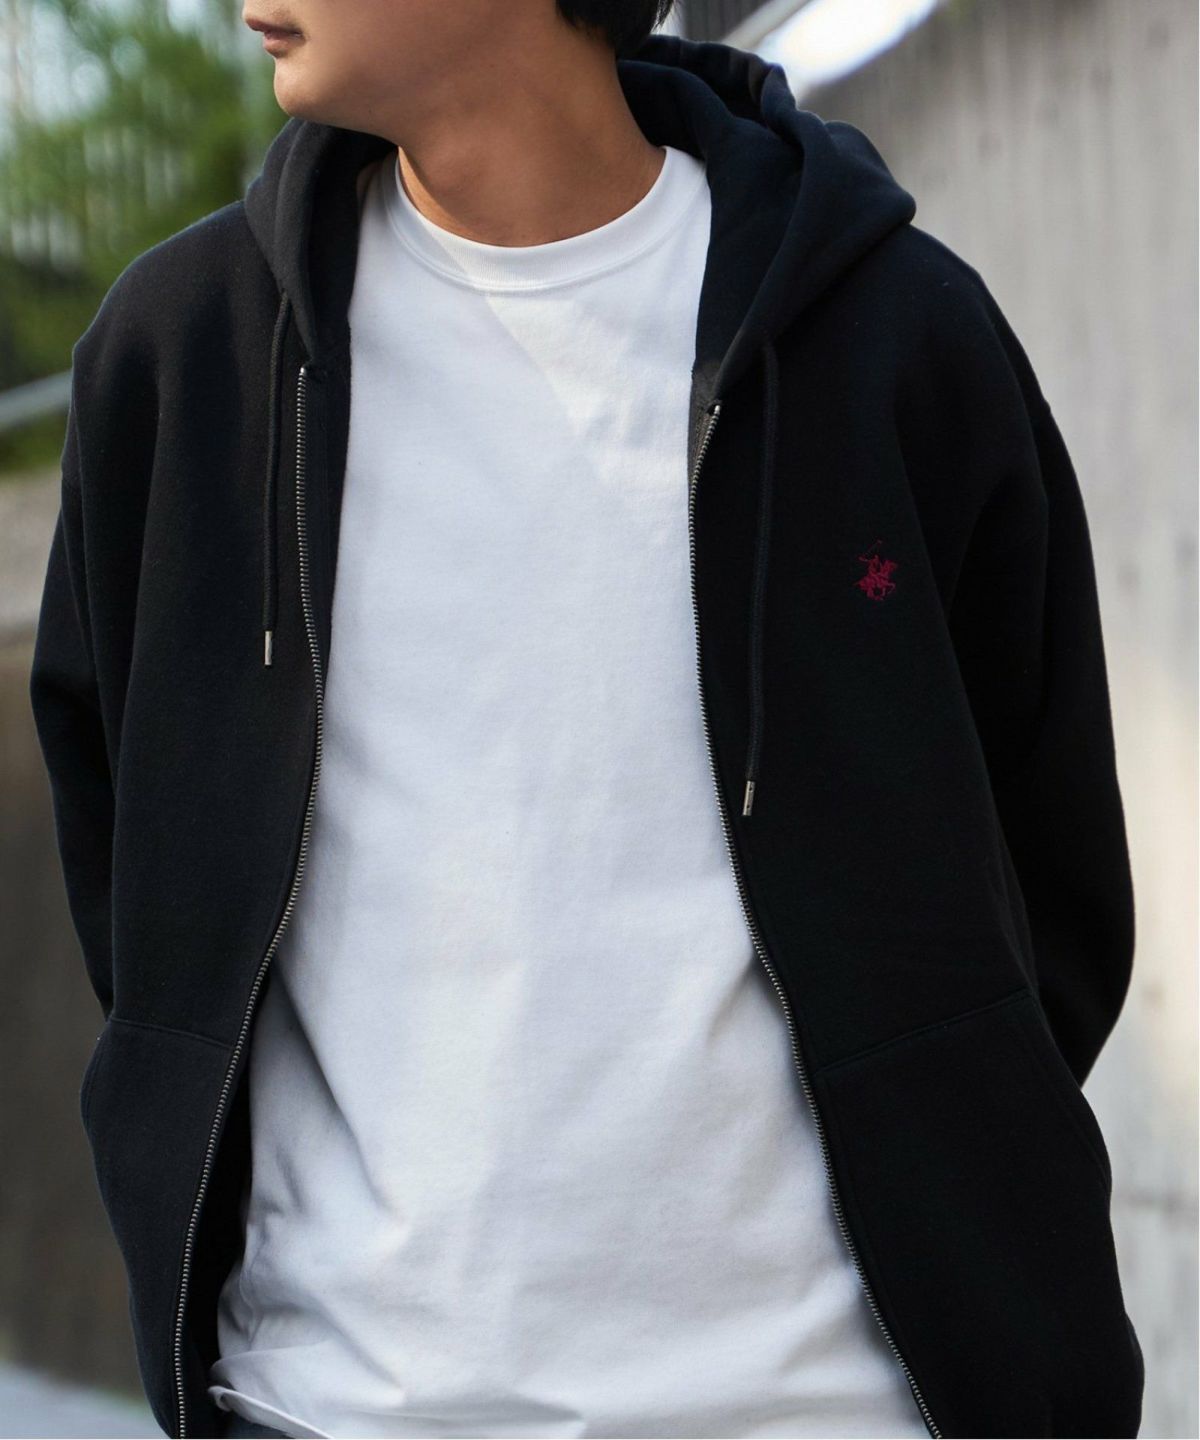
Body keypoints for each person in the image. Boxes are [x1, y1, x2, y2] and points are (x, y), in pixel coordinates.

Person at [29, 2, 1145, 1437]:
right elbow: (141, 895)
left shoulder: (892, 337)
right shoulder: (189, 363)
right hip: (339, 1405)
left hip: (829, 1408)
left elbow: (1045, 877)